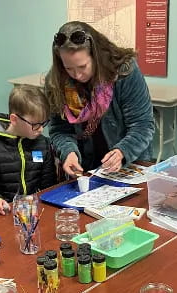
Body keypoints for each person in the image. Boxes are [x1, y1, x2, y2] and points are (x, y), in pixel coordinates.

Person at [45, 21, 155, 177]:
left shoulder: (124, 71)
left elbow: (143, 125)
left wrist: (121, 151)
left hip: (129, 164)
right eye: (69, 68)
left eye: (82, 66)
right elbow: (59, 131)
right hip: (86, 168)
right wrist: (69, 153)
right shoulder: (55, 82)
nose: (77, 75)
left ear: (96, 56)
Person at [0, 85, 57, 215]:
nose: (41, 129)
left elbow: (48, 184)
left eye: (43, 123)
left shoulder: (42, 144)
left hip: (34, 210)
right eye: (35, 124)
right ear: (14, 119)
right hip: (4, 211)